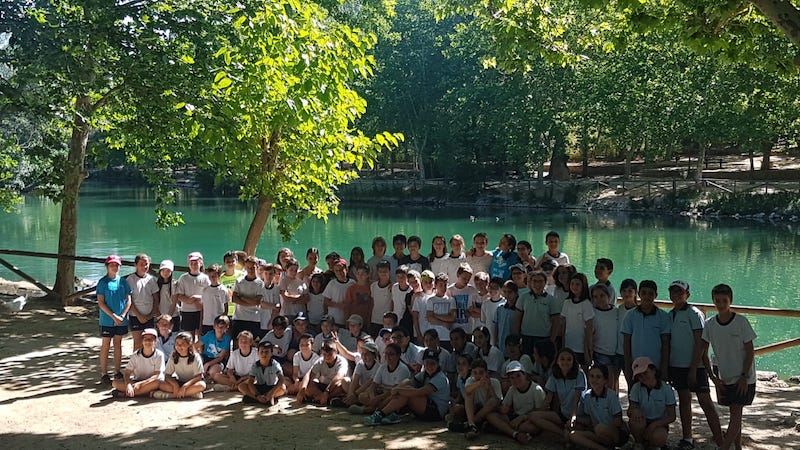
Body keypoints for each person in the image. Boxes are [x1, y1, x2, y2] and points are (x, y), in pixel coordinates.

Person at [667, 280, 723, 449]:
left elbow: (701, 343)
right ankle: (687, 438)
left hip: (695, 367)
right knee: (684, 401)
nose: (676, 295)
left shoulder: (694, 313)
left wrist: (694, 368)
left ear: (687, 295)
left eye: (679, 292)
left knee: (705, 402)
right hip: (677, 365)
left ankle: (721, 440)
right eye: (673, 292)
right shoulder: (670, 315)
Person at [702, 283, 757, 450]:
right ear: (713, 301)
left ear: (730, 301)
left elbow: (750, 351)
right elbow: (703, 352)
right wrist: (713, 377)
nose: (720, 304)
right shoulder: (710, 324)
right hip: (724, 376)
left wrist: (743, 376)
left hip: (744, 377)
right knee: (734, 414)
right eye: (717, 300)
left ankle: (724, 447)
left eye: (724, 300)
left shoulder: (741, 322)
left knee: (736, 413)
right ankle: (738, 447)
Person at [364, 348, 450, 426]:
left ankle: (380, 413)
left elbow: (420, 392)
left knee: (407, 393)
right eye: (427, 363)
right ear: (424, 363)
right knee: (406, 389)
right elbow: (409, 381)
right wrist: (398, 388)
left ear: (438, 364)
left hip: (436, 412)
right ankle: (390, 414)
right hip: (424, 407)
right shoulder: (424, 374)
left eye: (433, 364)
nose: (430, 366)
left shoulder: (440, 378)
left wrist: (398, 390)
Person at [527, 347, 587, 438]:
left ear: (573, 362)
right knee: (533, 416)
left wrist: (573, 417)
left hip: (579, 415)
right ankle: (561, 433)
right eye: (562, 359)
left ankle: (567, 434)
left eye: (569, 359)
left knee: (573, 435)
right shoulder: (554, 376)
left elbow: (577, 399)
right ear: (557, 361)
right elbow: (548, 398)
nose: (565, 362)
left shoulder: (579, 374)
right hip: (563, 414)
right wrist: (539, 412)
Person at [568, 363, 628, 450]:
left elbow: (617, 422)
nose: (594, 379)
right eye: (592, 376)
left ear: (605, 380)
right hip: (597, 432)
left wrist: (602, 429)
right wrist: (574, 420)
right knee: (573, 435)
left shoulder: (611, 396)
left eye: (598, 377)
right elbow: (589, 419)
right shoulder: (587, 396)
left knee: (600, 428)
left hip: (614, 433)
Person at [484, 361, 545, 444]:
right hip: (515, 417)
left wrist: (523, 417)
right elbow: (505, 406)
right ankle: (515, 433)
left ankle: (505, 430)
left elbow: (540, 410)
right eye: (512, 378)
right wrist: (502, 409)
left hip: (530, 419)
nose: (516, 380)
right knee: (490, 416)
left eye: (518, 376)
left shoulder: (536, 389)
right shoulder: (512, 389)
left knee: (530, 427)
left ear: (525, 375)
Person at [621, 280, 671, 382]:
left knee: (655, 395)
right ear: (639, 294)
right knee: (635, 395)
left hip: (655, 366)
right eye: (644, 293)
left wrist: (664, 367)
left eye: (650, 294)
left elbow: (666, 344)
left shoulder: (663, 317)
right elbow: (626, 342)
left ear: (655, 295)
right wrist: (627, 366)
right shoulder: (630, 315)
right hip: (636, 366)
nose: (647, 296)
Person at [348, 342, 411, 415]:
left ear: (398, 355)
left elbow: (394, 389)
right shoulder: (382, 367)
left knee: (393, 397)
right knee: (362, 396)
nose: (388, 356)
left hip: (392, 394)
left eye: (391, 354)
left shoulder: (402, 369)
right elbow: (373, 385)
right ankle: (376, 408)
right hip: (381, 393)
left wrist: (378, 398)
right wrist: (372, 397)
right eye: (386, 354)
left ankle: (369, 410)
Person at [97, 254, 132, 385]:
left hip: (121, 319)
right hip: (107, 320)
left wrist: (122, 315)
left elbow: (129, 300)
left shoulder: (123, 281)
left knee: (118, 344)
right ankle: (104, 373)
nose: (114, 267)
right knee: (106, 345)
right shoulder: (102, 282)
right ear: (107, 266)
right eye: (112, 264)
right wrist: (113, 316)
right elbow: (101, 302)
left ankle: (117, 371)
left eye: (117, 265)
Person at [628, 356, 677, 448]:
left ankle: (652, 445)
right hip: (641, 421)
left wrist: (654, 425)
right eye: (639, 375)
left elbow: (672, 416)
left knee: (659, 437)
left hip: (659, 424)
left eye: (645, 373)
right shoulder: (636, 387)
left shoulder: (666, 389)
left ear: (654, 370)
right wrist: (634, 410)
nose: (643, 377)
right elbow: (630, 410)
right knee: (635, 421)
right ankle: (638, 443)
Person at [514, 270, 560, 356]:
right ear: (530, 283)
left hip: (544, 338)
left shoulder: (551, 300)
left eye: (540, 281)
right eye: (534, 281)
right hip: (526, 336)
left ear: (545, 283)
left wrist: (552, 340)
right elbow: (517, 318)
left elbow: (556, 321)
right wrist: (517, 336)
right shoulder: (523, 297)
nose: (537, 284)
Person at [111, 328, 164, 398]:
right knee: (115, 383)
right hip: (138, 380)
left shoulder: (159, 355)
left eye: (150, 339)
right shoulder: (135, 355)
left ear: (156, 341)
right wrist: (128, 385)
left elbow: (156, 375)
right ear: (142, 341)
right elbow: (127, 373)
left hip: (151, 382)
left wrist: (140, 384)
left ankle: (128, 394)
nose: (148, 342)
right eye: (145, 339)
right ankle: (145, 393)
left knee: (157, 383)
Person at [590, 284, 622, 391]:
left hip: (616, 352)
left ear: (608, 296)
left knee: (615, 383)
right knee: (607, 382)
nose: (599, 299)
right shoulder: (593, 313)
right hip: (601, 352)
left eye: (602, 295)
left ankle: (614, 405)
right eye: (595, 297)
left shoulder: (617, 312)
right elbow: (590, 335)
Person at [296, 339, 349, 405]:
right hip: (323, 385)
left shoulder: (342, 362)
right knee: (306, 385)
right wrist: (302, 390)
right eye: (324, 354)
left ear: (336, 352)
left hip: (334, 386)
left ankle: (321, 398)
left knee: (342, 384)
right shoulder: (320, 361)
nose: (326, 357)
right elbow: (309, 374)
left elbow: (339, 377)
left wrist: (327, 391)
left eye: (329, 354)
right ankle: (324, 398)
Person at [155, 331, 206, 399]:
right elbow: (167, 375)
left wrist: (185, 386)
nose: (179, 346)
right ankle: (190, 394)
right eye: (177, 344)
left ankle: (171, 396)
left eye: (182, 344)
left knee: (201, 385)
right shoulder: (173, 356)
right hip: (180, 382)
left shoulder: (195, 357)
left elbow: (198, 377)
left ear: (189, 345)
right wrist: (175, 385)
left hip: (192, 383)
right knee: (161, 384)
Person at [462, 358, 503, 440]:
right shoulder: (470, 380)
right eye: (475, 373)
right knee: (469, 393)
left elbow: (498, 402)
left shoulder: (495, 382)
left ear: (486, 372)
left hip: (489, 412)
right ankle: (472, 424)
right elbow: (467, 390)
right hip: (475, 408)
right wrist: (479, 383)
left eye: (481, 373)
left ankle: (471, 423)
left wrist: (489, 388)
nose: (478, 375)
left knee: (493, 401)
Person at [561, 272, 595, 368]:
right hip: (568, 345)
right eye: (572, 283)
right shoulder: (567, 302)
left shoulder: (586, 304)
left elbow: (589, 326)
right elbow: (563, 324)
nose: (574, 287)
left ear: (583, 286)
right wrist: (563, 344)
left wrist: (589, 347)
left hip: (581, 348)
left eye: (577, 284)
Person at [126, 253, 160, 351]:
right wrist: (139, 315)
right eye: (141, 264)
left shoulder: (151, 280)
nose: (144, 266)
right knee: (137, 342)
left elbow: (156, 299)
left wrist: (151, 314)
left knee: (149, 342)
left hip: (149, 316)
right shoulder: (130, 279)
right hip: (135, 316)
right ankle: (136, 364)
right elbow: (129, 300)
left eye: (146, 264)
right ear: (135, 265)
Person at [175, 251, 209, 341]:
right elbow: (179, 295)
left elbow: (209, 294)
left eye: (196, 263)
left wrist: (197, 298)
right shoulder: (183, 278)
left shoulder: (205, 278)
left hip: (201, 311)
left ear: (201, 263)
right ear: (189, 264)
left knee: (201, 335)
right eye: (192, 263)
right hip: (187, 311)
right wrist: (187, 300)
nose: (194, 265)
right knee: (189, 337)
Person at [231, 255, 263, 345]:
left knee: (252, 344)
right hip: (239, 317)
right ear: (245, 267)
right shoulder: (239, 281)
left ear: (257, 267)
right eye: (248, 267)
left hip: (253, 319)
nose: (250, 270)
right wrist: (250, 301)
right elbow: (234, 298)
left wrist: (242, 298)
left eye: (253, 267)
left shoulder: (260, 283)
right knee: (237, 344)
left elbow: (257, 301)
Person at [342, 341, 381, 407]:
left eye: (367, 354)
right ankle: (351, 400)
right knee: (345, 381)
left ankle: (353, 401)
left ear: (374, 355)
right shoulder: (360, 364)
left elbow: (369, 384)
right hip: (359, 387)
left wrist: (354, 394)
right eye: (362, 354)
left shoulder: (378, 367)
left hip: (370, 390)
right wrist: (351, 394)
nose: (364, 356)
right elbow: (355, 380)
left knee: (363, 396)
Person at [617, 278, 639, 387]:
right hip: (617, 352)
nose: (627, 294)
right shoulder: (619, 309)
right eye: (624, 291)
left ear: (635, 293)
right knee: (611, 384)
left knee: (632, 384)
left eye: (630, 291)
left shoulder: (638, 312)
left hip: (632, 354)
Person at [425, 272, 456, 350]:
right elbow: (429, 318)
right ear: (435, 286)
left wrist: (435, 315)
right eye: (441, 285)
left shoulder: (451, 300)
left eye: (445, 285)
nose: (443, 287)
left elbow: (452, 317)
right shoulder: (431, 300)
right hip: (434, 337)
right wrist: (444, 323)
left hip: (447, 336)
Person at [446, 263, 479, 335]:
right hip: (454, 328)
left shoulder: (472, 290)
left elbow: (476, 308)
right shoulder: (450, 290)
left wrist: (471, 312)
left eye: (468, 279)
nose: (466, 281)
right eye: (464, 278)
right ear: (458, 275)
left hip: (468, 328)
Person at [198, 314, 232, 383]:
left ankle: (210, 376)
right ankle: (207, 377)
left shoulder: (227, 339)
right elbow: (196, 345)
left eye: (222, 327)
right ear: (214, 326)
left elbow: (221, 357)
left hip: (217, 360)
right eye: (218, 326)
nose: (219, 329)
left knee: (213, 372)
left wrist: (207, 364)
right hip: (205, 357)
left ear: (226, 328)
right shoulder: (209, 335)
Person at [322, 258, 354, 327]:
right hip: (334, 320)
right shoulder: (332, 283)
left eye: (341, 270)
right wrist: (340, 305)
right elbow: (326, 302)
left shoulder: (352, 283)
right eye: (336, 270)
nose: (339, 272)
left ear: (346, 269)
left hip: (348, 320)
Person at [200, 264, 228, 335]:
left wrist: (222, 322)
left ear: (218, 275)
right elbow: (203, 308)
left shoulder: (223, 290)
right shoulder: (205, 290)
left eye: (214, 276)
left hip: (218, 323)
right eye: (210, 276)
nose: (212, 278)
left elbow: (226, 308)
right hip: (206, 322)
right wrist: (200, 323)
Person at [344, 265, 373, 330]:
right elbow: (347, 306)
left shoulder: (372, 287)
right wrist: (346, 321)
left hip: (367, 320)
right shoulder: (351, 288)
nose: (360, 276)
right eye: (358, 273)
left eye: (363, 273)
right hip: (354, 321)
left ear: (368, 275)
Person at [278, 257, 308, 321]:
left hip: (300, 313)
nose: (294, 272)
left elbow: (307, 298)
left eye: (295, 270)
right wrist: (300, 297)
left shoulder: (301, 282)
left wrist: (294, 300)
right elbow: (286, 298)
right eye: (291, 270)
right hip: (288, 313)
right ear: (286, 269)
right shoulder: (284, 282)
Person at [369, 261, 393, 336]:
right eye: (380, 271)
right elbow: (372, 303)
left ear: (389, 271)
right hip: (374, 320)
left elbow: (393, 304)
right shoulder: (373, 286)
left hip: (387, 323)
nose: (383, 273)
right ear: (377, 272)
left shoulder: (393, 287)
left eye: (385, 271)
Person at [156, 260, 180, 331]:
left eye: (168, 271)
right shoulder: (156, 284)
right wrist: (160, 316)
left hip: (173, 315)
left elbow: (174, 302)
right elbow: (155, 301)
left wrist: (168, 317)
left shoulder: (174, 284)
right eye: (163, 270)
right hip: (160, 316)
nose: (165, 273)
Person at [412, 270, 435, 344]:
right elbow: (415, 317)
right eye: (425, 282)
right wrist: (418, 334)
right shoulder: (418, 298)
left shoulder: (437, 296)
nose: (428, 284)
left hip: (435, 334)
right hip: (422, 333)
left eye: (430, 282)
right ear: (421, 283)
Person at [219, 250, 241, 317]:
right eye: (228, 262)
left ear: (236, 262)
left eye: (233, 261)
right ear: (224, 263)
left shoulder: (242, 275)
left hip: (239, 312)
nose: (230, 263)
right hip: (225, 311)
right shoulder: (220, 278)